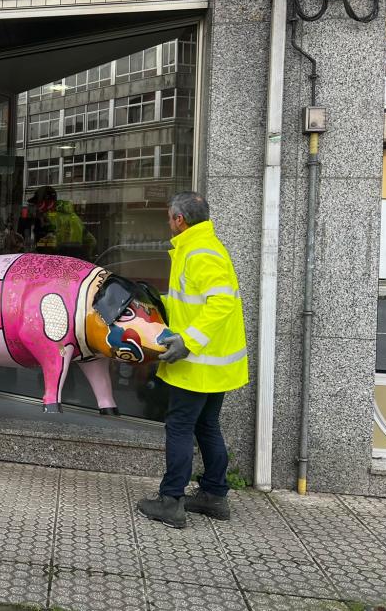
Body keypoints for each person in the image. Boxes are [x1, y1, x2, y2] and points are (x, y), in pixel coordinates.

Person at [137, 191, 249, 529]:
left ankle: (171, 501)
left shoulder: (199, 253)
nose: (168, 223)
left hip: (199, 363)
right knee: (207, 425)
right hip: (216, 363)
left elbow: (220, 303)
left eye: (169, 217)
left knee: (181, 426)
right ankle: (215, 495)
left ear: (179, 220)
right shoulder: (201, 246)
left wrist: (188, 341)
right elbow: (194, 300)